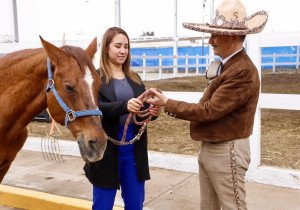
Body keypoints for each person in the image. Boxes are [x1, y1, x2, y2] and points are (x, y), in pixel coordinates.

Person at [146, 0, 268, 209]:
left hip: (226, 148)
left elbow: (209, 111)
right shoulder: (231, 66)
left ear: (232, 36)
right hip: (216, 147)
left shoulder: (241, 70)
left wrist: (168, 103)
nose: (210, 41)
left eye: (215, 35)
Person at [84, 27, 160, 210]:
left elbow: (142, 108)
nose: (123, 51)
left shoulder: (135, 78)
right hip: (106, 148)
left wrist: (153, 112)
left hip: (134, 149)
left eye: (126, 46)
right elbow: (93, 108)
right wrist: (123, 106)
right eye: (117, 46)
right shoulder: (95, 78)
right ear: (106, 48)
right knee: (102, 204)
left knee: (135, 204)